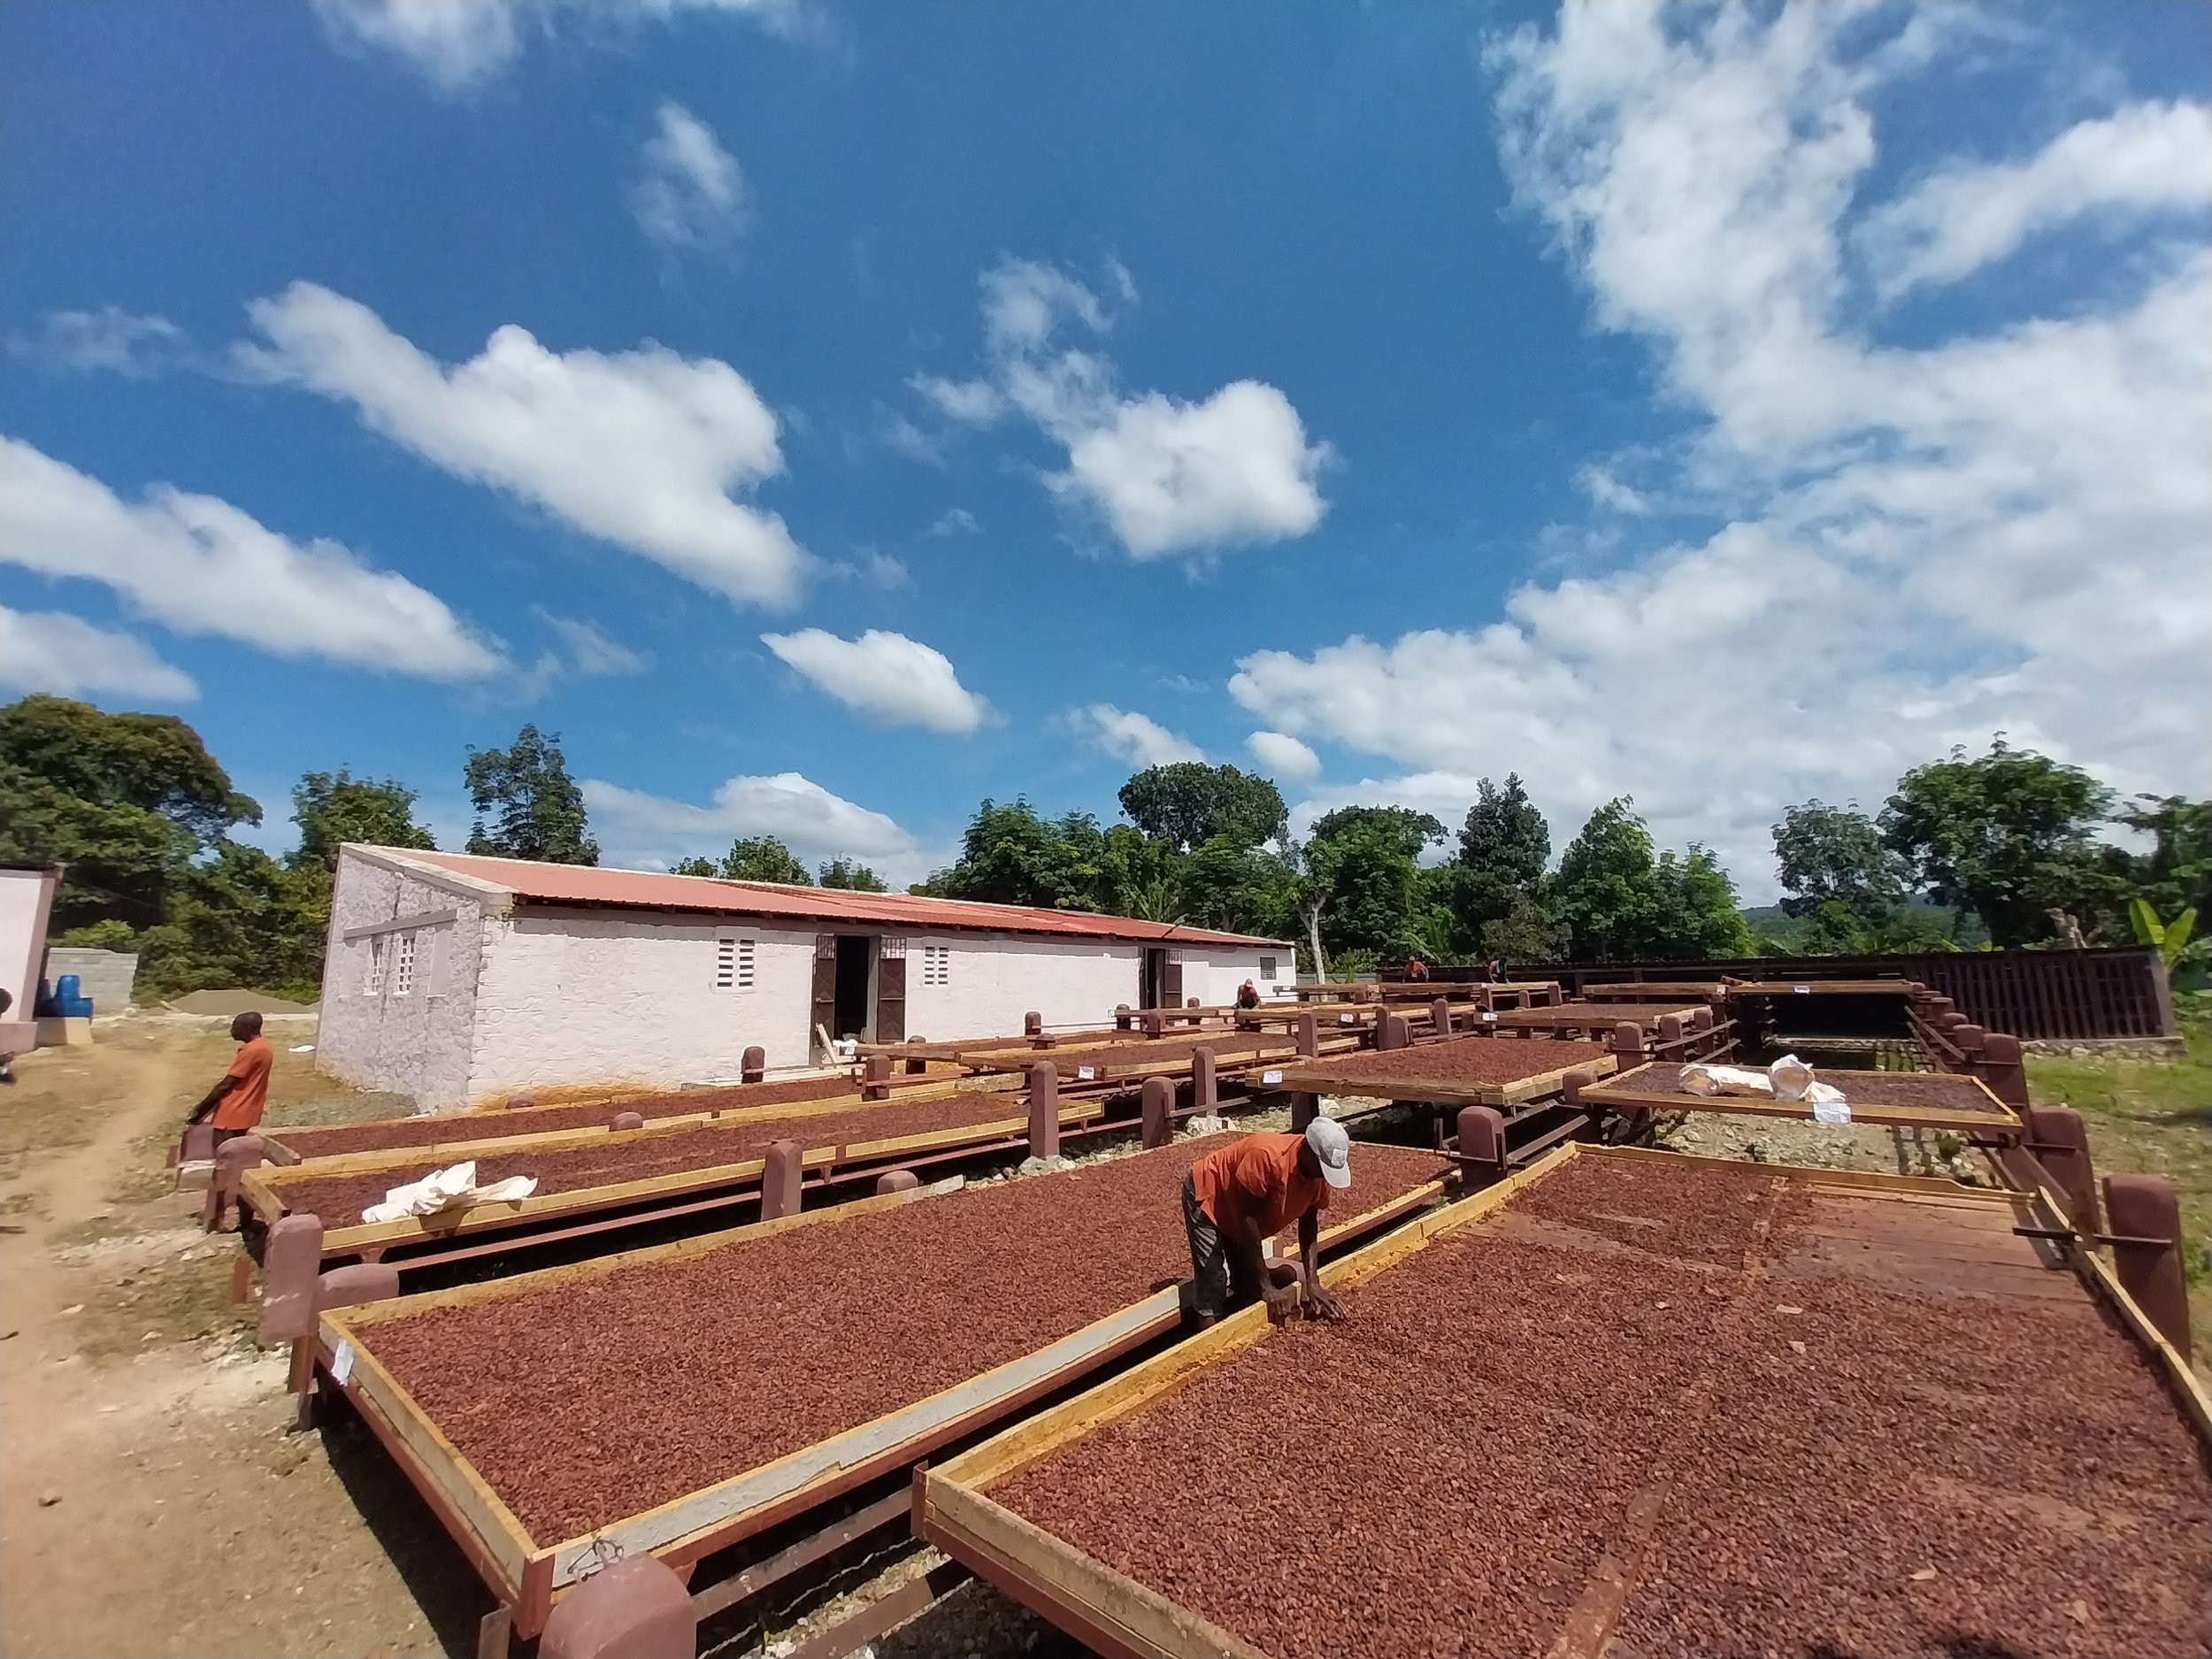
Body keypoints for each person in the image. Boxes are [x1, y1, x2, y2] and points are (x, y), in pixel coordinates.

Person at [1182, 1120, 1351, 1327]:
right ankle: (1207, 1339)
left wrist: (1313, 1284)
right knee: (1213, 1277)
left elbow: (1309, 1227)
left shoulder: (1318, 1177)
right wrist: (1267, 1285)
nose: (1323, 1175)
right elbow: (1247, 1218)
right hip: (1209, 1190)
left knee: (1249, 1287)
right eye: (1322, 1168)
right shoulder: (1267, 1156)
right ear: (1308, 1149)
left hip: (1242, 1212)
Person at [186, 1011, 273, 1147]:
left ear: (247, 1029)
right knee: (237, 1156)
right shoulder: (265, 1047)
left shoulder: (250, 1050)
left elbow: (227, 1084)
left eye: (235, 1027)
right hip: (248, 1111)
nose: (232, 1031)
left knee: (222, 1156)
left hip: (232, 1113)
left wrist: (201, 1109)